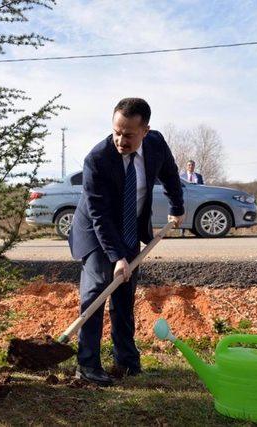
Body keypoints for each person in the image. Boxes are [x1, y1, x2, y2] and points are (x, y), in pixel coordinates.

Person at [68, 98, 184, 386]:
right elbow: (99, 215)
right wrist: (117, 256)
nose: (121, 140)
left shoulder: (156, 144)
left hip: (129, 229)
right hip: (96, 232)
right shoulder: (97, 160)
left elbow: (170, 173)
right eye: (116, 132)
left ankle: (126, 360)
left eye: (129, 134)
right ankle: (88, 365)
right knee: (96, 293)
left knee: (124, 295)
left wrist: (177, 206)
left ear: (145, 130)